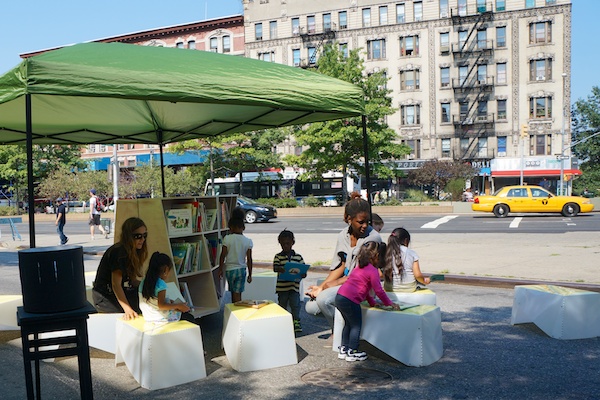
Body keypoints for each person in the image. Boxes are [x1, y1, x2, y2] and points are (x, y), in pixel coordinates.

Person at [306, 192, 382, 330]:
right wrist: (322, 286)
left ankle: (342, 334)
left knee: (324, 300)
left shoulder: (373, 239)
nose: (365, 226)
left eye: (367, 221)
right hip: (346, 284)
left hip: (362, 287)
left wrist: (331, 285)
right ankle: (348, 326)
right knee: (311, 307)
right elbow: (340, 266)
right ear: (348, 219)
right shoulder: (343, 236)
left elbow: (362, 275)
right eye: (360, 222)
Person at [335, 241, 399, 361]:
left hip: (340, 296)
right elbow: (378, 290)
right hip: (350, 300)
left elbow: (366, 290)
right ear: (375, 256)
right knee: (356, 325)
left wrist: (373, 303)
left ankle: (344, 348)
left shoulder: (358, 267)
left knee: (348, 324)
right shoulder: (372, 270)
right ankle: (353, 351)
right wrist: (389, 303)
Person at [92, 217, 148, 320]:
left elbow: (131, 280)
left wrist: (149, 287)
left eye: (145, 235)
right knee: (135, 312)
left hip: (120, 292)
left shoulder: (133, 251)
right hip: (106, 297)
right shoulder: (119, 253)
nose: (142, 239)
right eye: (138, 236)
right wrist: (128, 309)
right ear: (128, 236)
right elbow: (116, 285)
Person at [139, 252, 195, 323]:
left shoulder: (144, 281)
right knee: (189, 317)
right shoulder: (161, 284)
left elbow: (153, 300)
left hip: (148, 316)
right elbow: (161, 306)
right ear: (166, 270)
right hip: (159, 318)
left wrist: (171, 303)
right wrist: (178, 306)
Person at [273, 229, 306, 332]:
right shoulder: (278, 256)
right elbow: (275, 267)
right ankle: (282, 321)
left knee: (295, 304)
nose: (286, 246)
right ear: (280, 244)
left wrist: (302, 273)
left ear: (293, 243)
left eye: (288, 243)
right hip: (282, 287)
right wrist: (281, 269)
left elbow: (303, 269)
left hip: (294, 287)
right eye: (283, 244)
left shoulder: (298, 257)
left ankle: (296, 321)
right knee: (282, 304)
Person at [219, 207, 253, 303]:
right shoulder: (248, 241)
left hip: (229, 270)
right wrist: (250, 274)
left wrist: (220, 269)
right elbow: (249, 259)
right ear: (243, 227)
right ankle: (238, 311)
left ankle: (234, 309)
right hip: (241, 270)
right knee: (238, 294)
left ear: (230, 228)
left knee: (233, 293)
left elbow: (223, 255)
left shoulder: (227, 239)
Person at [383, 227, 430, 293]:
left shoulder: (386, 252)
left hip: (389, 288)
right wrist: (424, 280)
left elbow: (380, 273)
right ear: (406, 241)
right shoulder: (412, 253)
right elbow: (417, 275)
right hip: (409, 288)